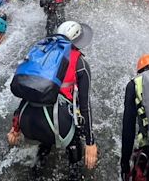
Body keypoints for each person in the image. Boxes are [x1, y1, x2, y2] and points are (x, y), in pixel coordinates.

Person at [7, 21, 97, 181]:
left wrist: (15, 127)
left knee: (45, 144)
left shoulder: (42, 54)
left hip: (28, 119)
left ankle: (36, 172)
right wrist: (90, 143)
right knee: (75, 151)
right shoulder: (80, 63)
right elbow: (85, 106)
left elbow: (28, 91)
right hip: (56, 121)